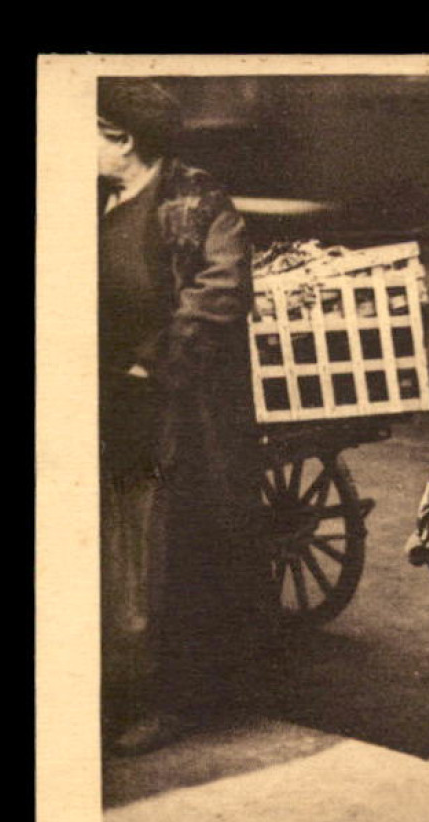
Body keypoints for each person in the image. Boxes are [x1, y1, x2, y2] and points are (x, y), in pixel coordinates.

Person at [98, 79, 266, 755]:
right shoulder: (90, 198)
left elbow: (222, 289)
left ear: (123, 140)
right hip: (107, 394)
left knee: (164, 555)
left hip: (178, 403)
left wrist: (153, 363)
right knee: (111, 551)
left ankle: (169, 699)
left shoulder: (196, 199)